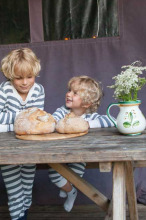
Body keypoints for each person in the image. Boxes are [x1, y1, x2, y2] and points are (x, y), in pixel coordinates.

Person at [0, 48, 44, 220]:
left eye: (29, 77)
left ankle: (23, 215)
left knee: (27, 189)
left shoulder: (39, 90)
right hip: (7, 149)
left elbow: (34, 123)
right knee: (15, 192)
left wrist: (3, 127)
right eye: (19, 78)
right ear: (10, 76)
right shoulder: (5, 90)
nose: (25, 82)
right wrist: (24, 117)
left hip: (29, 147)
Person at [49, 75, 114, 212]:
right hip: (59, 154)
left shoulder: (91, 117)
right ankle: (71, 191)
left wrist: (88, 124)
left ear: (86, 103)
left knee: (74, 178)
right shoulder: (62, 112)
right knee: (54, 175)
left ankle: (69, 190)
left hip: (80, 156)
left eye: (75, 93)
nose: (69, 94)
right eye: (69, 90)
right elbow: (52, 121)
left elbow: (113, 121)